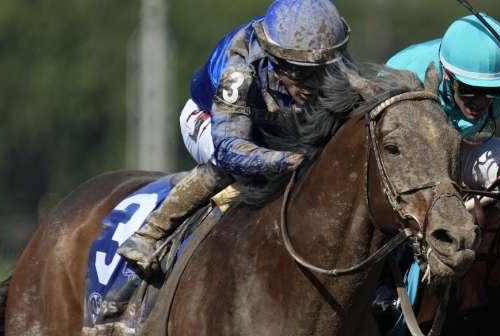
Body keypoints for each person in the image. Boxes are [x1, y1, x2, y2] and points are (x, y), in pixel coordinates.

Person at [118, 0, 352, 276]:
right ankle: (149, 234)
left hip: (273, 124)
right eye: (300, 72)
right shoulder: (238, 68)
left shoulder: (327, 52)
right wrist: (289, 160)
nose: (313, 84)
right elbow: (230, 148)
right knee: (232, 167)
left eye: (321, 70)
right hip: (209, 119)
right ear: (275, 59)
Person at [385, 13, 500, 191]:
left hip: (468, 148)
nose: (480, 102)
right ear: (447, 75)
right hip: (414, 151)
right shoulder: (407, 74)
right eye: (469, 89)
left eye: (492, 91)